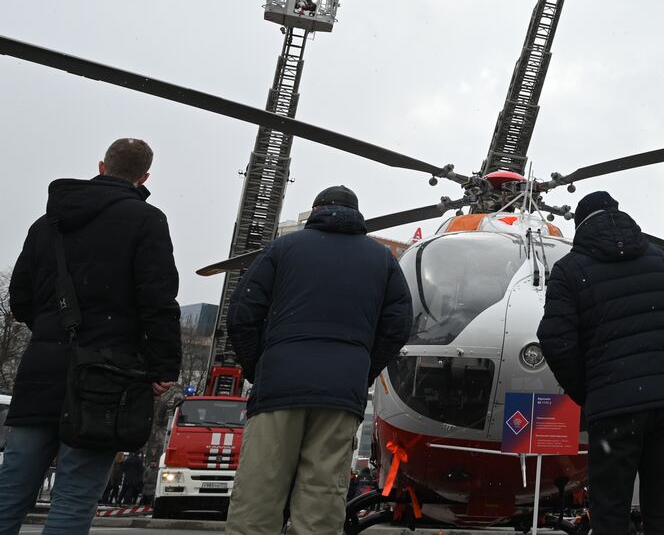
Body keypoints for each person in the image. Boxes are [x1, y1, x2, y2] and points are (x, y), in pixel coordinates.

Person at [0, 138, 181, 535]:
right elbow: (158, 300)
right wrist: (163, 365)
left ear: (101, 166)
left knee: (10, 489)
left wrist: (54, 333)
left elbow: (21, 300)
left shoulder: (47, 223)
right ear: (144, 177)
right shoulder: (147, 221)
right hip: (106, 378)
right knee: (75, 497)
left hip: (42, 370)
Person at [224, 186, 411, 535]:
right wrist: (362, 370)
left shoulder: (283, 248)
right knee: (322, 496)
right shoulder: (382, 259)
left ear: (314, 211)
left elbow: (241, 314)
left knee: (259, 493)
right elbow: (399, 326)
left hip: (279, 387)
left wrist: (259, 367)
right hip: (340, 394)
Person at [537, 191, 664, 535]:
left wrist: (590, 391)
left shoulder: (569, 271)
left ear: (580, 226)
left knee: (610, 512)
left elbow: (556, 341)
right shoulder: (660, 259)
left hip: (613, 411)